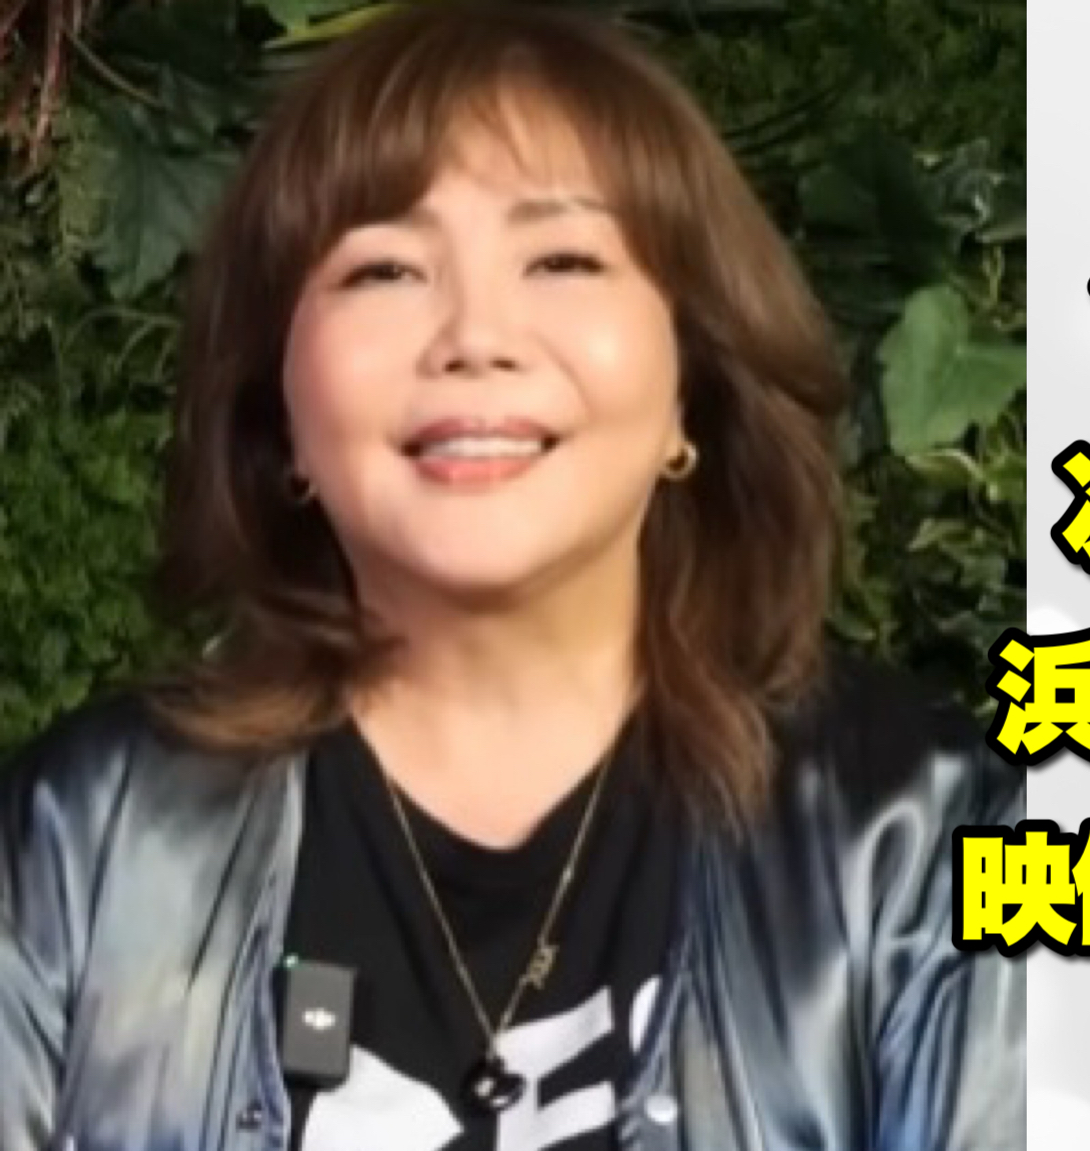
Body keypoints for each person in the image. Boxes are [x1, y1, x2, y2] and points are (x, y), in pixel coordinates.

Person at [0, 3, 1022, 1149]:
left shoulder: (924, 835)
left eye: (563, 259)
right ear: (281, 412)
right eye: (385, 268)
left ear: (689, 387)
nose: (475, 336)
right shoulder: (84, 842)